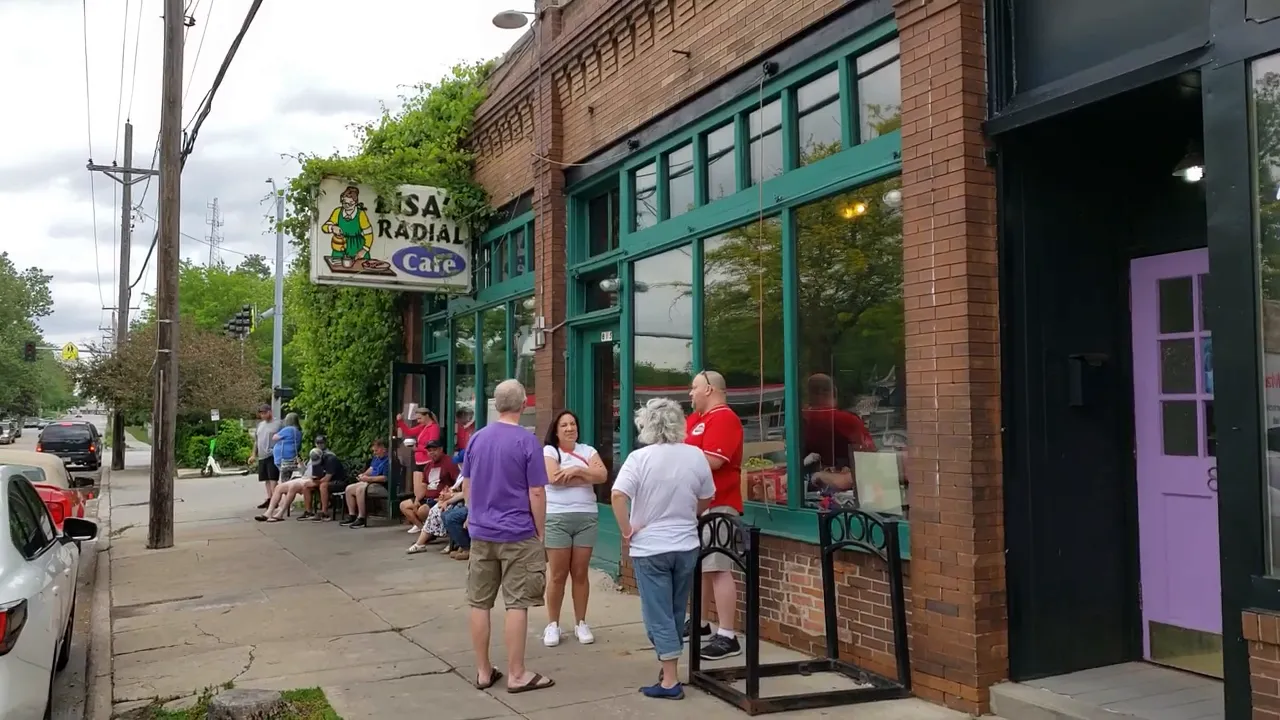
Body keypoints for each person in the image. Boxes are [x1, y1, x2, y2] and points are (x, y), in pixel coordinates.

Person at [611, 398, 716, 700]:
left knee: (657, 615)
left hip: (651, 546)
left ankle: (670, 679)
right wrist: (689, 513)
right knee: (673, 610)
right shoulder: (695, 455)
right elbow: (707, 496)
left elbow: (618, 496)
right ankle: (666, 665)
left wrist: (627, 530)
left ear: (646, 424)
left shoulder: (639, 458)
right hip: (686, 545)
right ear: (679, 423)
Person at [462, 379, 554, 694]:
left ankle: (484, 671)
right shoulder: (527, 442)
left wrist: (473, 516)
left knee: (480, 602)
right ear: (523, 404)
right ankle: (516, 673)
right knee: (516, 603)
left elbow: (467, 485)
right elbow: (537, 492)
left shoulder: (476, 439)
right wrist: (540, 532)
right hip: (518, 532)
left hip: (481, 531)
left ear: (496, 405)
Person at [685, 369, 745, 660]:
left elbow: (715, 461)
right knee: (701, 567)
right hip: (697, 506)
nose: (690, 393)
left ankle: (727, 635)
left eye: (694, 387)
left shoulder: (725, 418)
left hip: (720, 503)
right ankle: (699, 623)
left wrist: (679, 462)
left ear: (709, 389)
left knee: (719, 567)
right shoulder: (695, 420)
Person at [541, 410, 608, 647]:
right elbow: (553, 478)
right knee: (558, 575)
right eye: (564, 425)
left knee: (580, 573)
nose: (570, 428)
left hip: (586, 517)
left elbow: (602, 475)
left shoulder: (588, 451)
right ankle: (553, 624)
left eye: (573, 424)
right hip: (557, 518)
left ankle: (581, 622)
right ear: (556, 430)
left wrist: (578, 471)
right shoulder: (550, 451)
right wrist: (586, 477)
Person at [802, 373, 877, 492]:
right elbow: (871, 461)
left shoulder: (799, 419)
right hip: (842, 489)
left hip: (805, 488)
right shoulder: (847, 420)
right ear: (833, 392)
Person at [399, 440, 458, 532]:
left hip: (439, 498)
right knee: (404, 505)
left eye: (434, 450)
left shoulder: (449, 462)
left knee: (422, 510)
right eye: (429, 451)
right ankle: (423, 529)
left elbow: (457, 482)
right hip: (426, 497)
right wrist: (417, 500)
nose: (431, 453)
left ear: (441, 449)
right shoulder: (428, 466)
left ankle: (431, 531)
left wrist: (448, 494)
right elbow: (424, 484)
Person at [257, 447, 322, 522]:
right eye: (318, 443)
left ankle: (280, 513)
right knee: (279, 487)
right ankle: (269, 512)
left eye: (321, 443)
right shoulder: (311, 458)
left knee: (293, 487)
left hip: (311, 480)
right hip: (303, 478)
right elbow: (304, 472)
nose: (319, 444)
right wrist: (301, 464)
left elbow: (320, 476)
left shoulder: (322, 458)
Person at [407, 472, 466, 555]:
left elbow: (466, 493)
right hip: (454, 499)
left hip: (465, 502)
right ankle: (420, 543)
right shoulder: (462, 473)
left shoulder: (470, 474)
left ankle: (457, 544)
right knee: (435, 510)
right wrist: (446, 495)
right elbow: (454, 488)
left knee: (448, 514)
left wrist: (450, 496)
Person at [341, 439, 389, 528]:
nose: (375, 453)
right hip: (370, 482)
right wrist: (363, 475)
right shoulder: (376, 458)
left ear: (384, 449)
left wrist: (368, 479)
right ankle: (352, 515)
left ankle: (362, 517)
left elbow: (385, 478)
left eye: (376, 450)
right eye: (374, 451)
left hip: (382, 485)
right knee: (349, 489)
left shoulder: (389, 461)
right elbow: (371, 469)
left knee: (360, 489)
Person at [397, 408, 442, 498]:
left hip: (427, 461)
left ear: (427, 416)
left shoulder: (434, 428)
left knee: (422, 491)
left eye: (420, 418)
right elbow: (409, 432)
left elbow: (432, 447)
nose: (418, 421)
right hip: (418, 460)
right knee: (417, 491)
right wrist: (400, 422)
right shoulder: (423, 426)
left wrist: (417, 448)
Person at [301, 436, 344, 521]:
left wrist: (317, 482)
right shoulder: (315, 460)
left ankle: (325, 513)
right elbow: (316, 476)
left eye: (322, 443)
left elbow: (327, 478)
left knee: (323, 486)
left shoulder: (331, 459)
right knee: (306, 485)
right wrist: (314, 480)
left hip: (338, 481)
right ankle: (308, 512)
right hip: (324, 481)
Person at [248, 404, 281, 509]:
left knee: (273, 478)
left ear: (270, 412)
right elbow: (256, 441)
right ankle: (270, 498)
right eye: (261, 413)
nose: (262, 415)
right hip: (262, 455)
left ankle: (275, 500)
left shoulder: (278, 424)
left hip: (272, 454)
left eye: (264, 413)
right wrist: (254, 454)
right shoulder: (260, 425)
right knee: (266, 479)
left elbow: (283, 438)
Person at [273, 413, 303, 482]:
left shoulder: (288, 429)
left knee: (285, 481)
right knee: (287, 478)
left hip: (283, 458)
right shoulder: (298, 431)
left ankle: (288, 491)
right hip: (292, 458)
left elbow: (274, 437)